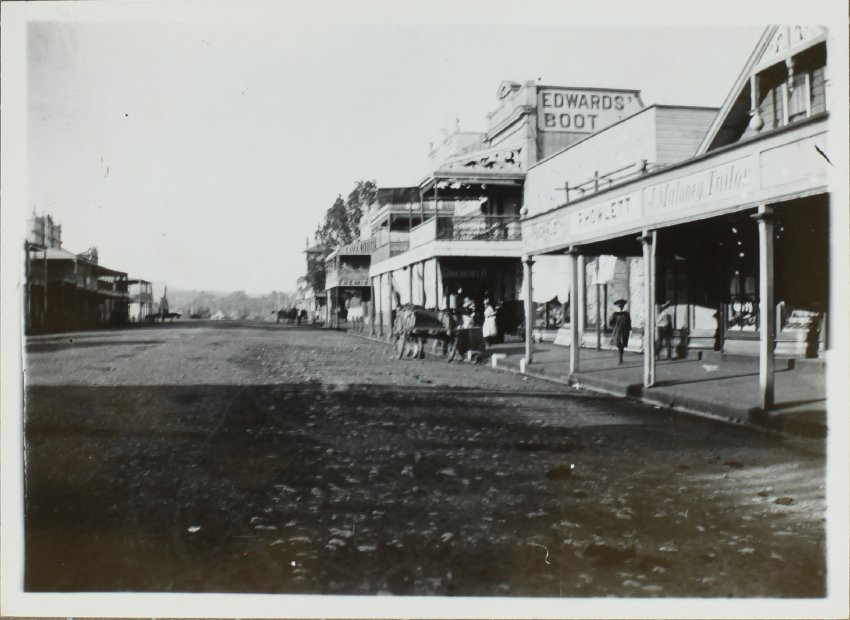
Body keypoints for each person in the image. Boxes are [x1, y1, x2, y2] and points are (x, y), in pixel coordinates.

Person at [609, 299, 632, 365]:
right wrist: (615, 326)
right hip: (618, 331)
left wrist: (630, 330)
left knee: (622, 344)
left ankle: (620, 358)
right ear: (618, 306)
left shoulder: (626, 314)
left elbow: (629, 322)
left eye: (622, 305)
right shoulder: (615, 314)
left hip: (624, 331)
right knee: (619, 343)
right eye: (620, 305)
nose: (621, 307)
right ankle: (620, 358)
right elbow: (610, 322)